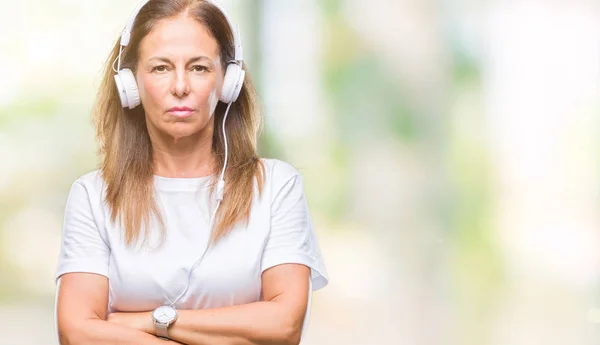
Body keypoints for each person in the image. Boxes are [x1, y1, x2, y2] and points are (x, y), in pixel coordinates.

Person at [53, 1, 329, 344]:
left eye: (198, 68)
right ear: (130, 82)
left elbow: (284, 327)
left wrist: (148, 322)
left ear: (228, 80)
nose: (180, 86)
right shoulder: (94, 195)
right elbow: (76, 332)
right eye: (160, 68)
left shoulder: (275, 187)